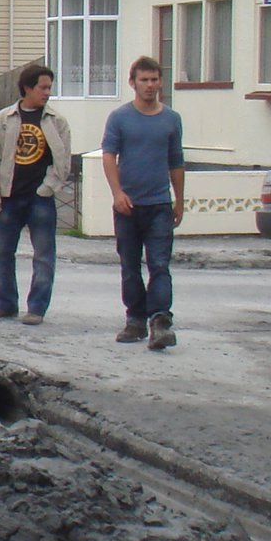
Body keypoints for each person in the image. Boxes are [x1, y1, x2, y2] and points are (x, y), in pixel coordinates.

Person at [100, 56, 185, 350]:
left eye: (154, 80)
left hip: (160, 204)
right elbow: (109, 155)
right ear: (132, 83)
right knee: (130, 266)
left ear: (160, 82)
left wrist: (179, 200)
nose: (150, 86)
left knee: (160, 265)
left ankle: (160, 321)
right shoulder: (120, 118)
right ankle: (135, 319)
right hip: (128, 207)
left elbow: (176, 161)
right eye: (144, 80)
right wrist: (117, 193)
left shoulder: (171, 119)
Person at [0, 64, 71, 325]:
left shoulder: (57, 121)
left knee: (43, 254)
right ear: (27, 88)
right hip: (9, 196)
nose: (47, 93)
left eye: (49, 88)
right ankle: (5, 303)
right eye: (42, 87)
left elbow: (63, 161)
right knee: (1, 253)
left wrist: (47, 188)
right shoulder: (4, 118)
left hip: (39, 198)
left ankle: (37, 308)